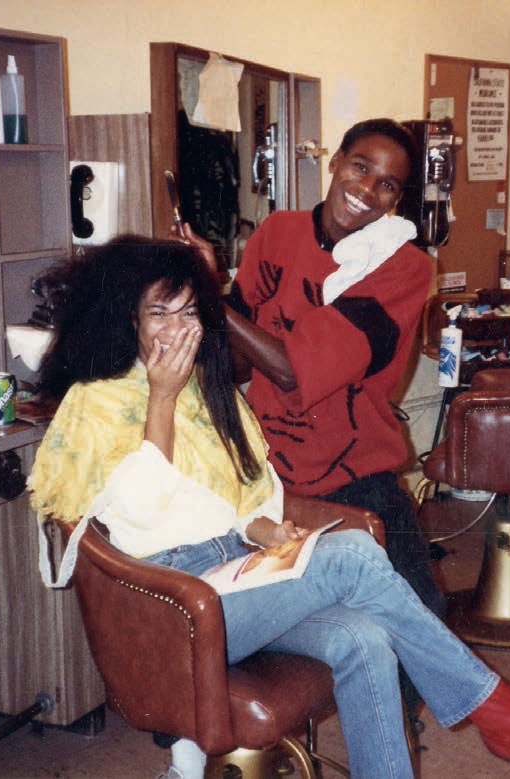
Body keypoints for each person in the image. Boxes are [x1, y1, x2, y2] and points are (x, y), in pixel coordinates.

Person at [29, 237, 510, 779]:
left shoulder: (204, 392)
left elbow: (237, 497)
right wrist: (159, 397)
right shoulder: (95, 402)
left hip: (232, 575)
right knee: (355, 557)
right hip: (176, 603)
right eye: (159, 312)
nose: (178, 329)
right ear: (125, 317)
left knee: (363, 637)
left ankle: (475, 726)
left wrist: (264, 530)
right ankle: (496, 712)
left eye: (188, 312)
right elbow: (143, 508)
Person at [177, 119, 445, 622]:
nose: (366, 189)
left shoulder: (403, 268)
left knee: (417, 615)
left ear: (397, 199)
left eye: (386, 184)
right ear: (336, 160)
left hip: (354, 469)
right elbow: (238, 366)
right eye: (360, 167)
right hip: (265, 465)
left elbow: (292, 373)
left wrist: (211, 298)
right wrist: (204, 294)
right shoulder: (277, 233)